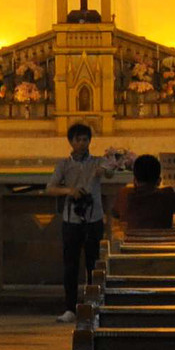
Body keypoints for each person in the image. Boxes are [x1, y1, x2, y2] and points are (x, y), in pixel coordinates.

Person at [48, 121, 108, 318]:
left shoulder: (97, 161)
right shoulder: (64, 164)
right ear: (71, 142)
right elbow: (50, 188)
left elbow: (111, 171)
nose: (83, 143)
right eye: (78, 140)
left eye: (86, 139)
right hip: (72, 218)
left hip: (94, 217)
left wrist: (105, 170)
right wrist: (70, 191)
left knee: (93, 263)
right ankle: (70, 308)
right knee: (71, 264)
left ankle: (93, 305)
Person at [113, 152, 175, 235]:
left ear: (135, 179)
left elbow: (115, 213)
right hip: (160, 246)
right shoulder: (167, 195)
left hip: (129, 245)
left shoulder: (123, 194)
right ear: (158, 181)